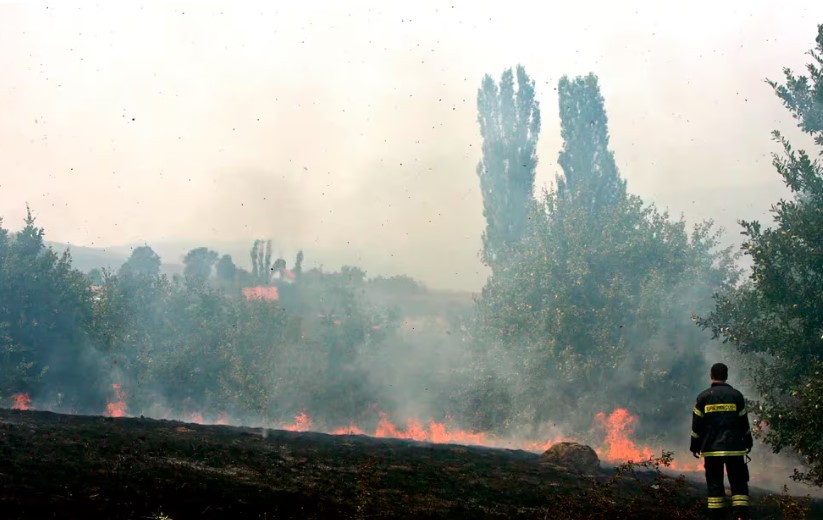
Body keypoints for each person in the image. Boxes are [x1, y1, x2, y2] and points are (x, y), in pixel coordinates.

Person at [690, 363, 754, 520]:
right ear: (726, 376)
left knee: (715, 484)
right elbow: (743, 422)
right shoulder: (736, 396)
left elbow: (697, 425)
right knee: (739, 483)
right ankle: (740, 515)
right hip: (735, 448)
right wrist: (748, 441)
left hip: (712, 449)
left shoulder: (703, 397)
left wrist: (695, 445)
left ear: (711, 375)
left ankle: (717, 516)